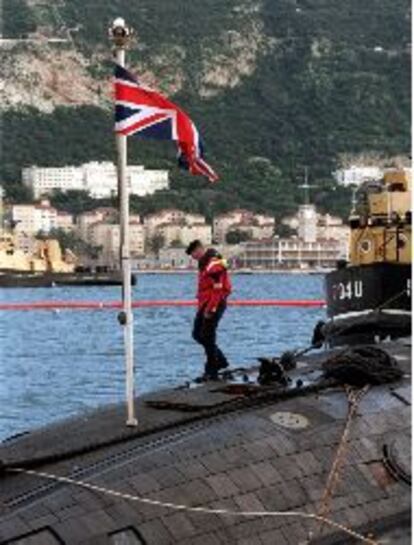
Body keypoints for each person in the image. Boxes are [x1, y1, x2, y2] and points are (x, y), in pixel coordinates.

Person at [186, 239, 232, 380]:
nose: (193, 257)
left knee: (207, 336)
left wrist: (211, 309)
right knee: (197, 334)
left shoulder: (213, 263)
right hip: (205, 303)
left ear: (199, 249)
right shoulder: (205, 263)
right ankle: (220, 361)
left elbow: (217, 289)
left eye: (193, 253)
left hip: (214, 303)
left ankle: (212, 368)